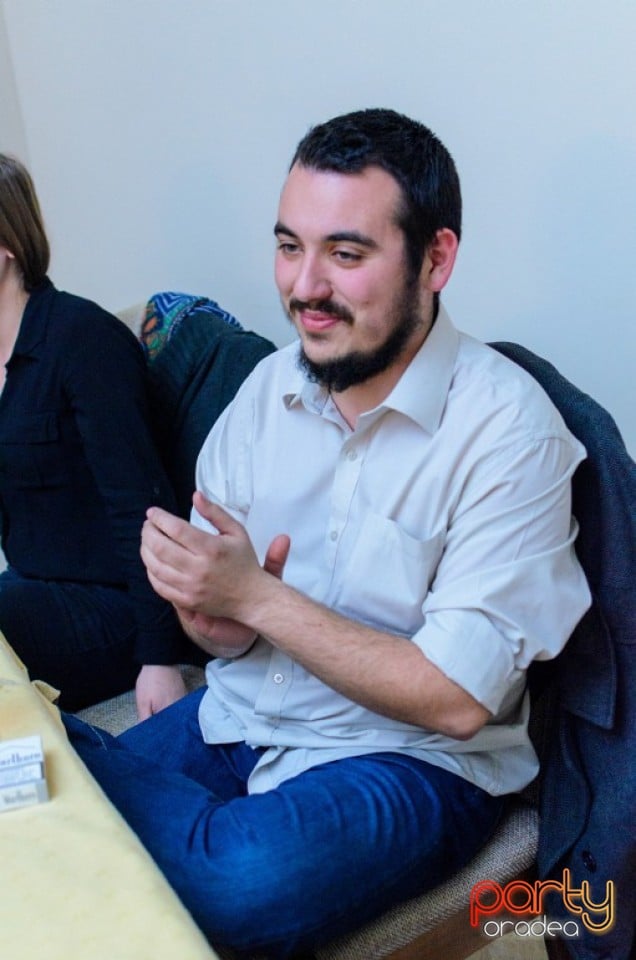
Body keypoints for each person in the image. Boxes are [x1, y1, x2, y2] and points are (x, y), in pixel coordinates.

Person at [64, 109, 591, 958]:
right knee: (45, 803)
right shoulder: (265, 394)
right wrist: (216, 622)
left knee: (234, 884)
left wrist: (257, 600)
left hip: (410, 758)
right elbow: (230, 631)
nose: (305, 286)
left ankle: (100, 778)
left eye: (345, 254)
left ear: (436, 259)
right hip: (241, 715)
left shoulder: (509, 431)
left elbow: (458, 699)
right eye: (288, 246)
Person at [0, 153, 188, 716]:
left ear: (6, 244)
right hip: (34, 587)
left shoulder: (83, 340)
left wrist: (160, 658)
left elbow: (142, 506)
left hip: (114, 607)